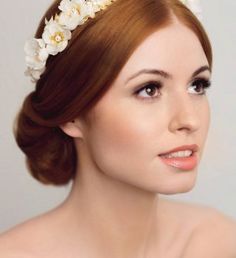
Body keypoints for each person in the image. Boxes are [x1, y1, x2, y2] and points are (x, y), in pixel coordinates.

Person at [0, 0, 235, 257]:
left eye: (197, 85)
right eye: (149, 89)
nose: (190, 119)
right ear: (73, 114)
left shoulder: (220, 242)